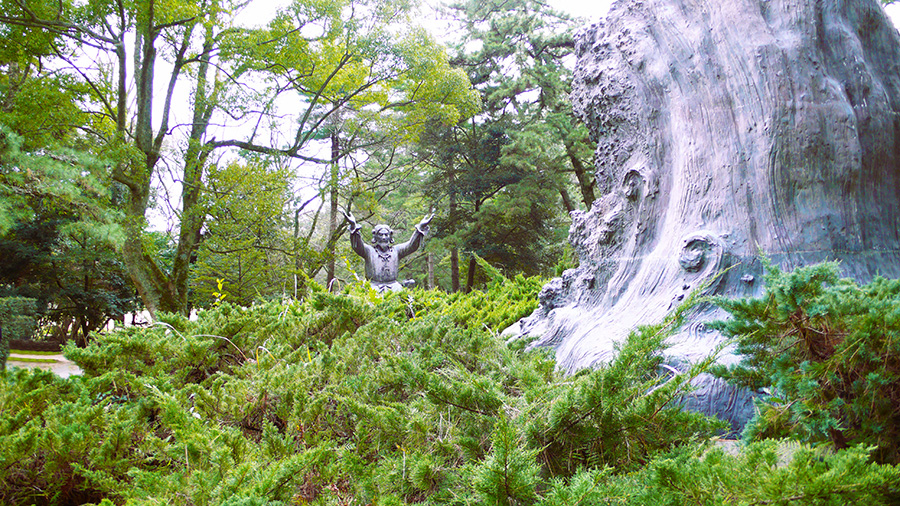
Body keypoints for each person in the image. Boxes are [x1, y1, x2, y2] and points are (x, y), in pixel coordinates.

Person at [343, 210, 433, 292]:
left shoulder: (396, 250)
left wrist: (420, 228)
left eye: (386, 235)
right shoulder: (369, 251)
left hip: (394, 286)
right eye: (380, 235)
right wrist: (354, 227)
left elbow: (411, 246)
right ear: (375, 236)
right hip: (373, 286)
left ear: (390, 236)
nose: (384, 238)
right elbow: (358, 246)